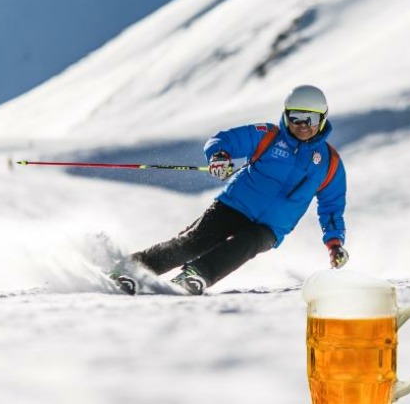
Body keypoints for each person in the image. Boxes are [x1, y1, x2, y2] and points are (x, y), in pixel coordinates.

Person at [111, 84, 348, 295]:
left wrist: (335, 243)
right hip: (234, 205)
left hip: (271, 227)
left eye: (310, 119)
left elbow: (331, 207)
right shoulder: (269, 136)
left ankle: (196, 275)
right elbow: (224, 140)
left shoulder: (330, 163)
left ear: (322, 119)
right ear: (286, 116)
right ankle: (129, 269)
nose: (302, 125)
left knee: (247, 244)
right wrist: (219, 156)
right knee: (193, 242)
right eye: (296, 118)